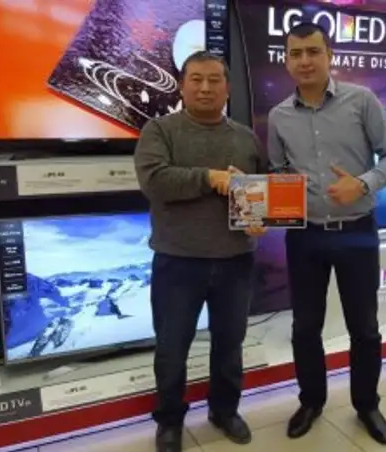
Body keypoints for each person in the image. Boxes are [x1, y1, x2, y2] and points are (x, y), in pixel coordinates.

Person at [267, 23, 386, 445]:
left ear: (329, 56)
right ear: (287, 61)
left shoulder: (361, 101)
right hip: (305, 236)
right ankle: (311, 401)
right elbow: (278, 173)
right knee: (305, 326)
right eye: (296, 54)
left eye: (313, 51)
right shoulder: (278, 116)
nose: (305, 61)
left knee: (364, 327)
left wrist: (361, 184)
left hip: (357, 231)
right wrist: (259, 204)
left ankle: (366, 404)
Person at [134, 51, 266, 452]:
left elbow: (259, 190)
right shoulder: (160, 130)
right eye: (196, 79)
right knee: (172, 349)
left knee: (230, 344)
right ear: (182, 85)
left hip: (236, 261)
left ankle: (224, 411)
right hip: (178, 261)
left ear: (227, 88)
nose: (205, 88)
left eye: (214, 80)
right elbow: (155, 181)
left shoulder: (245, 137)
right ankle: (170, 421)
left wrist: (259, 215)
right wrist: (210, 178)